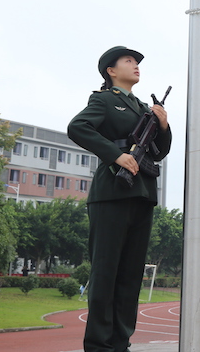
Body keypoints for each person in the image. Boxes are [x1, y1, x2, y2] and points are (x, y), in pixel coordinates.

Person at [68, 46, 172, 352]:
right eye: (129, 61)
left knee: (130, 275)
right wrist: (116, 155)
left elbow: (159, 152)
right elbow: (77, 127)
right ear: (111, 71)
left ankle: (120, 342)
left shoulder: (143, 107)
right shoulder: (104, 100)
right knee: (106, 272)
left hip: (142, 194)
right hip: (112, 193)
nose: (136, 65)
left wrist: (163, 125)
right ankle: (98, 345)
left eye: (137, 61)